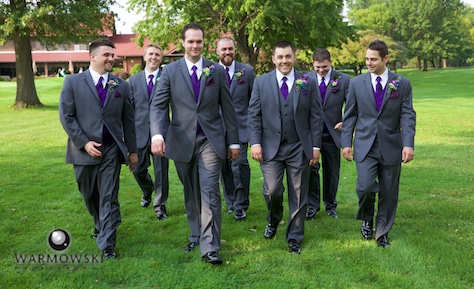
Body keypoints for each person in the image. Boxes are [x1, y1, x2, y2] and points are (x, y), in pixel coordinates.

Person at [149, 23, 239, 264]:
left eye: (199, 41)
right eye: (190, 41)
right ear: (183, 43)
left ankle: (210, 247)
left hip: (211, 140)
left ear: (204, 43)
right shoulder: (169, 72)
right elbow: (158, 105)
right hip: (181, 140)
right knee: (190, 191)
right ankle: (195, 233)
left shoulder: (216, 71)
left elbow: (228, 109)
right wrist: (158, 135)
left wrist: (234, 142)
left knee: (210, 190)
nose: (195, 45)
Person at [59, 38, 138, 259]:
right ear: (92, 56)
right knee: (88, 194)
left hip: (111, 150)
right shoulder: (73, 83)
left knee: (109, 196)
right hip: (82, 150)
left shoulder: (121, 85)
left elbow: (129, 121)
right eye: (107, 55)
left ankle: (107, 244)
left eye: (113, 55)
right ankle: (100, 222)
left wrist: (132, 151)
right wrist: (83, 142)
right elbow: (66, 116)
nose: (111, 59)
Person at [248, 41, 323, 254]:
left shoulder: (307, 82)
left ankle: (294, 237)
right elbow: (253, 115)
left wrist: (315, 147)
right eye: (280, 57)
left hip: (299, 146)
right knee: (272, 190)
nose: (284, 61)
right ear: (273, 59)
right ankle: (273, 218)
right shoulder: (261, 83)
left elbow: (316, 116)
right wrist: (255, 142)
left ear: (294, 57)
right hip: (270, 147)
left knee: (299, 194)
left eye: (288, 56)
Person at [341, 40, 416, 248]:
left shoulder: (402, 84)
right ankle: (366, 218)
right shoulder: (356, 84)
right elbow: (350, 116)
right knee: (364, 187)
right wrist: (346, 142)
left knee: (388, 192)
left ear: (386, 58)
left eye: (373, 59)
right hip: (365, 145)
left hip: (391, 145)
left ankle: (381, 232)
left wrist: (408, 144)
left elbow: (407, 115)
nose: (369, 63)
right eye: (367, 59)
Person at [306, 48, 350, 220]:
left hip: (333, 133)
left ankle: (331, 205)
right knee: (311, 170)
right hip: (311, 135)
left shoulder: (343, 79)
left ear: (330, 62)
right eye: (317, 67)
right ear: (313, 64)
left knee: (332, 172)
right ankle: (312, 205)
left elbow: (353, 104)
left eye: (324, 67)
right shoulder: (305, 79)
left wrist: (345, 121)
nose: (321, 70)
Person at [128, 44, 170, 220]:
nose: (154, 57)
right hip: (139, 133)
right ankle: (147, 190)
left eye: (157, 55)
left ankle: (160, 207)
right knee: (137, 170)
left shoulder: (167, 78)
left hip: (161, 132)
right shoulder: (133, 81)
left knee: (161, 172)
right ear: (144, 56)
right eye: (151, 54)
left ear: (161, 58)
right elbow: (128, 109)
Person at [216, 37, 255, 220]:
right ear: (217, 52)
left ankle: (241, 204)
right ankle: (230, 201)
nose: (227, 52)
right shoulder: (210, 72)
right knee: (225, 168)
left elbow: (254, 102)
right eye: (223, 49)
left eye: (230, 49)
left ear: (234, 50)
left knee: (239, 165)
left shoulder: (246, 72)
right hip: (218, 128)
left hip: (241, 127)